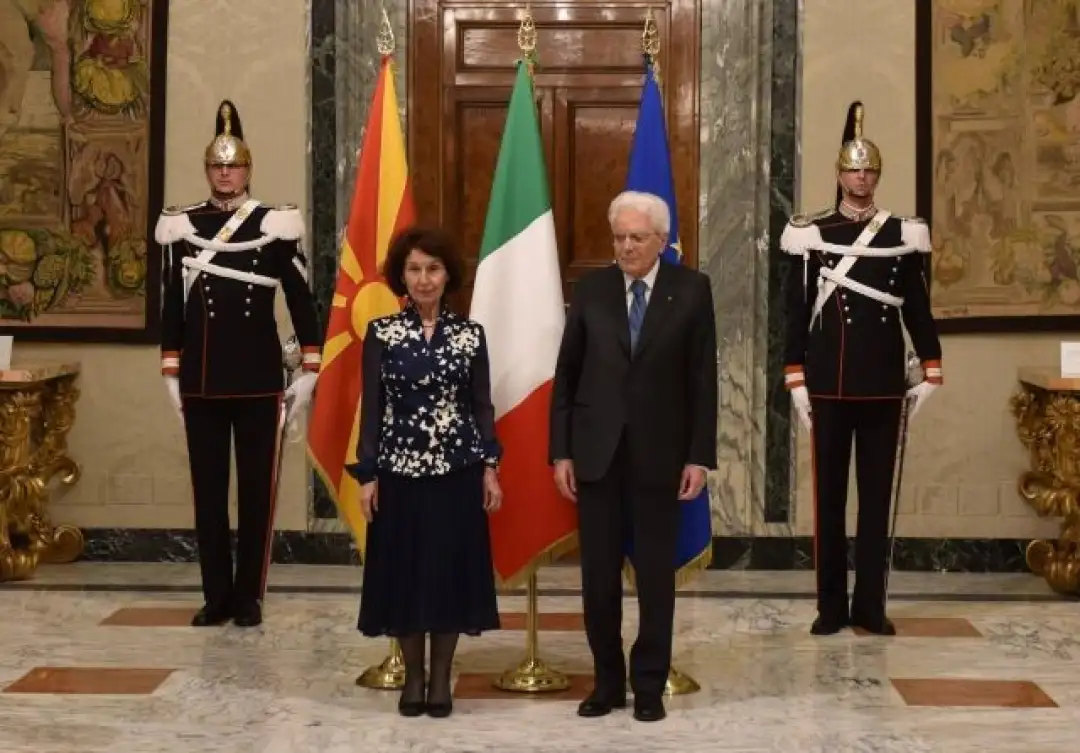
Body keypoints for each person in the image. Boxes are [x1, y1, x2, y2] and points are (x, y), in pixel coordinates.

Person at [549, 190, 718, 723]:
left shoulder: (691, 290)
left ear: (661, 241)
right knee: (598, 579)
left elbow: (703, 380)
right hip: (596, 454)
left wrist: (699, 457)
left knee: (654, 578)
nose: (626, 247)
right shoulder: (592, 289)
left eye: (637, 238)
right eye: (619, 237)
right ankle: (606, 682)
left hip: (661, 456)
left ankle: (648, 684)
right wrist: (561, 452)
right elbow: (567, 376)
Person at [154, 99, 321, 628]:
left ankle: (248, 596)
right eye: (217, 165)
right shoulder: (182, 225)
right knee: (208, 496)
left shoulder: (275, 223)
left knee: (256, 495)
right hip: (202, 378)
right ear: (207, 170)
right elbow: (172, 305)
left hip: (257, 378)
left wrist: (311, 364)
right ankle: (216, 597)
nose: (225, 174)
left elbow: (300, 298)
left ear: (248, 169)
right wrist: (171, 368)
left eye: (234, 165)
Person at [779, 101, 943, 637]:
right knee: (829, 503)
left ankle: (870, 606)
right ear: (839, 174)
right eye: (853, 170)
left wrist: (932, 368)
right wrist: (795, 376)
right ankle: (831, 608)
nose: (862, 179)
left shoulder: (902, 232)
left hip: (883, 385)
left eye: (870, 170)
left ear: (878, 175)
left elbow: (917, 308)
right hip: (828, 383)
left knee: (876, 503)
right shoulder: (811, 232)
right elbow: (796, 311)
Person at [346, 226, 503, 719]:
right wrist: (368, 475)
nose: (424, 279)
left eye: (433, 268)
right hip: (399, 477)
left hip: (457, 475)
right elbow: (373, 410)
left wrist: (490, 467)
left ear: (448, 274)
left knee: (448, 577)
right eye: (414, 269)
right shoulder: (383, 333)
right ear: (402, 276)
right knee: (406, 577)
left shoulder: (470, 335)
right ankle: (413, 678)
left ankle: (440, 680)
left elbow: (481, 406)